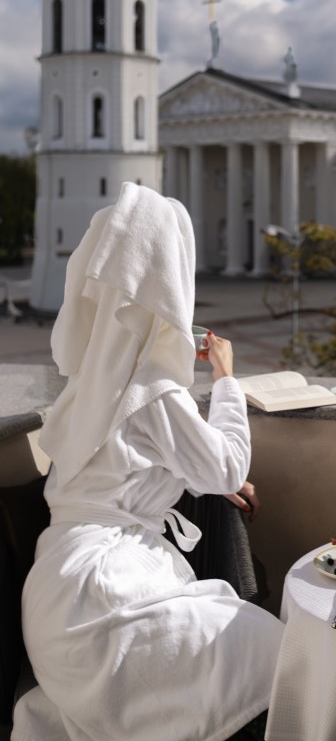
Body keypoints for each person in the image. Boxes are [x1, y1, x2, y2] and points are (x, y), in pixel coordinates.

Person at [11, 183, 284, 741]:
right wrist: (227, 377)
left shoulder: (89, 378)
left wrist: (192, 475)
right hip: (102, 595)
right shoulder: (153, 390)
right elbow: (228, 467)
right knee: (272, 649)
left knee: (235, 645)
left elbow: (125, 467)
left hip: (56, 592)